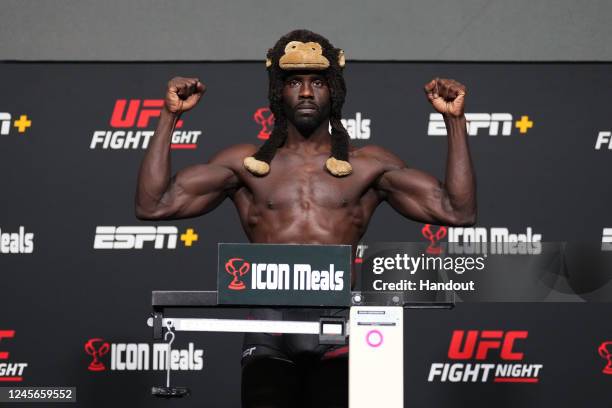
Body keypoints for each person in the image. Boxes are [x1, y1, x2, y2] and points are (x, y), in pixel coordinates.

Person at [136, 29, 476, 408]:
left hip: (345, 326)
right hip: (269, 328)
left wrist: (455, 122)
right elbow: (155, 204)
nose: (307, 92)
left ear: (335, 91)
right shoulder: (247, 165)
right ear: (277, 92)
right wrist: (169, 116)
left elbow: (455, 210)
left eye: (318, 82)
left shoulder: (367, 166)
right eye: (294, 82)